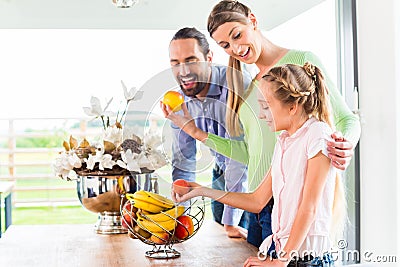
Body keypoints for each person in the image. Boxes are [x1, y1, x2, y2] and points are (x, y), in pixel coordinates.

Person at [163, 0, 361, 251]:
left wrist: (344, 144)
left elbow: (347, 120)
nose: (235, 48)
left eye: (237, 35)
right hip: (256, 205)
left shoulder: (300, 61)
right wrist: (193, 131)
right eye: (225, 45)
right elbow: (249, 153)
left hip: (288, 205)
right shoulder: (246, 86)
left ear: (253, 21)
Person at [172, 62, 344, 267]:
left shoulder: (317, 134)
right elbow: (257, 200)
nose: (261, 115)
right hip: (286, 256)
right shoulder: (284, 141)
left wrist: (281, 261)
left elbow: (309, 207)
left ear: (292, 107)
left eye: (266, 106)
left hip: (308, 261)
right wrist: (201, 190)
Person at [163, 27, 251, 238]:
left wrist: (231, 222)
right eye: (175, 63)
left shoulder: (235, 86)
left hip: (254, 176)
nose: (183, 71)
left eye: (191, 60)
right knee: (219, 230)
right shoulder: (180, 101)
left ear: (209, 57)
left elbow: (239, 159)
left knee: (240, 239)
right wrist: (180, 219)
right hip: (221, 171)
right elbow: (184, 160)